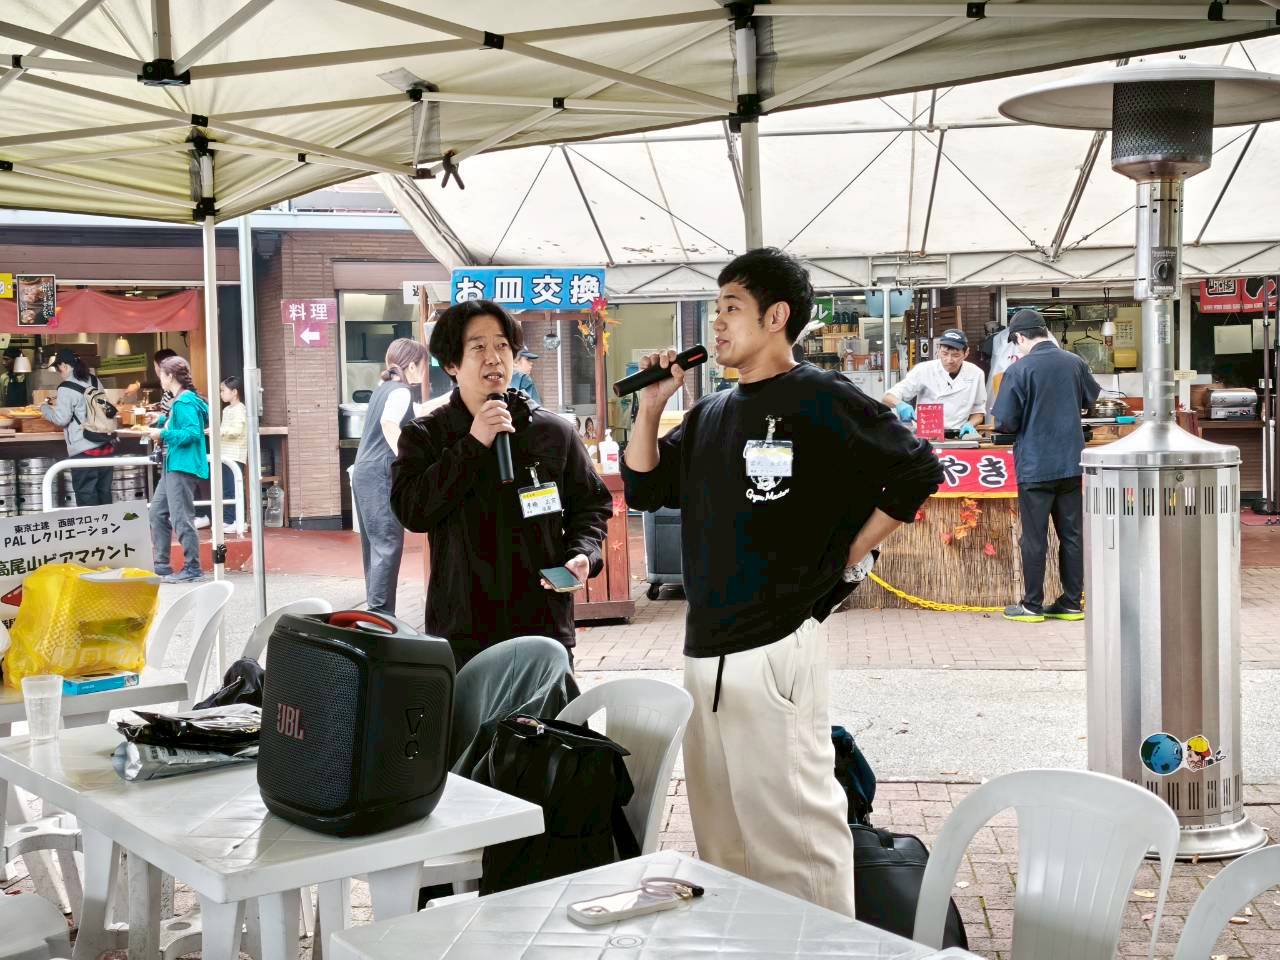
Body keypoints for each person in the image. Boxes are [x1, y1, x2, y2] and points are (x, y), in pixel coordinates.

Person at [621, 248, 942, 917]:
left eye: (731, 307)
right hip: (704, 650)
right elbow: (646, 487)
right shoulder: (710, 412)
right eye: (716, 308)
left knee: (796, 836)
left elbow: (916, 470)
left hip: (777, 646)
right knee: (723, 840)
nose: (717, 322)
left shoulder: (822, 397)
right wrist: (651, 407)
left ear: (776, 317)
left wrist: (848, 552)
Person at [390, 300, 611, 669]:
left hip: (542, 624)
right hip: (463, 629)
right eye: (478, 347)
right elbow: (412, 512)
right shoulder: (425, 435)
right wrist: (473, 444)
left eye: (502, 345)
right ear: (451, 364)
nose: (494, 358)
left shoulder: (553, 431)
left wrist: (583, 553)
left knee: (550, 710)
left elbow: (591, 505)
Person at [993, 308, 1101, 624]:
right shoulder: (1075, 362)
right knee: (1072, 535)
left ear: (1020, 337)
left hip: (1036, 465)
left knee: (1034, 537)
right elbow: (1090, 400)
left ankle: (1032, 605)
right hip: (1071, 462)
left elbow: (1005, 422)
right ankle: (1071, 603)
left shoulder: (1019, 369)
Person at [351, 339, 430, 616]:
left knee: (375, 546)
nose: (423, 372)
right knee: (388, 544)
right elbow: (389, 423)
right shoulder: (401, 391)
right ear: (412, 366)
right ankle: (381, 618)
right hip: (380, 472)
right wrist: (406, 459)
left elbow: (419, 412)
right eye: (422, 366)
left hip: (364, 471)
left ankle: (376, 614)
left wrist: (454, 398)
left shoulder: (383, 389)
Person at [148, 356, 209, 584]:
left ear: (170, 376)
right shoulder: (183, 400)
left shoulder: (183, 402)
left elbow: (192, 433)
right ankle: (161, 565)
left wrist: (162, 433)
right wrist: (161, 420)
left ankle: (193, 568)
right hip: (173, 464)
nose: (160, 380)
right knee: (157, 512)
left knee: (181, 517)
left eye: (161, 375)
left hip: (181, 465)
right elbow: (187, 427)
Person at [39, 347, 116, 507]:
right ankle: (108, 524)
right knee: (104, 494)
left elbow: (61, 419)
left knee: (86, 496)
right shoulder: (94, 380)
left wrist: (44, 408)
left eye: (58, 369)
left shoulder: (65, 387)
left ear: (64, 365)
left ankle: (93, 524)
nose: (59, 373)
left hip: (84, 450)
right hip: (105, 445)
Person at [884, 328, 987, 436]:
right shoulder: (923, 370)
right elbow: (887, 397)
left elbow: (978, 412)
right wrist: (899, 404)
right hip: (926, 435)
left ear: (966, 353)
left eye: (955, 355)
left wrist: (970, 424)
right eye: (945, 354)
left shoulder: (976, 374)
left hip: (957, 435)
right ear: (938, 350)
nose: (949, 360)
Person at [217, 377, 248, 534]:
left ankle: (237, 520)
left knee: (233, 487)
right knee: (227, 488)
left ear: (234, 392)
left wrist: (218, 431)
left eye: (223, 390)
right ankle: (229, 519)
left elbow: (236, 431)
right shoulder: (227, 410)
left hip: (235, 454)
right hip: (225, 453)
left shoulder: (240, 409)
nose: (221, 393)